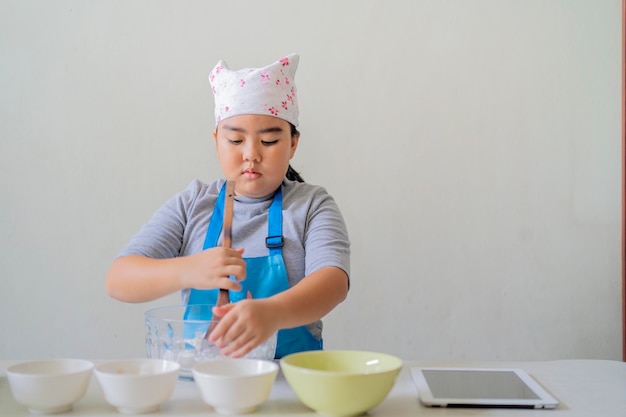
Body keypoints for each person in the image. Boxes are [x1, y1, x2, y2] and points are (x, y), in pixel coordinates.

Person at [105, 53, 350, 359]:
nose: (251, 154)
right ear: (216, 141)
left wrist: (271, 314)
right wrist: (188, 270)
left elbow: (333, 282)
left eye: (270, 142)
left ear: (293, 144)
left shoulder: (311, 205)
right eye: (235, 140)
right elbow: (118, 279)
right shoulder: (192, 205)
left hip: (290, 387)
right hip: (204, 389)